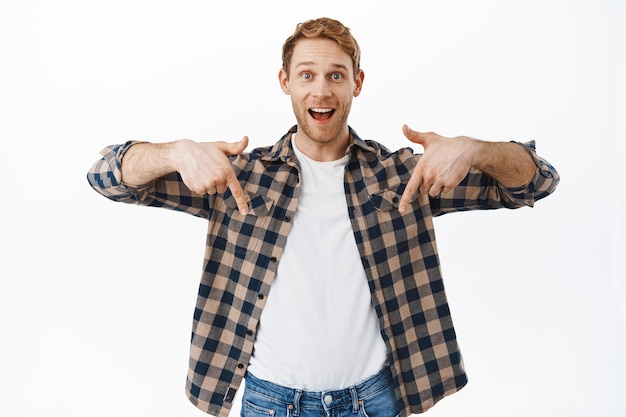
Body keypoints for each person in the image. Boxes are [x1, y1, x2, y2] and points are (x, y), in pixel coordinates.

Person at [87, 17, 559, 417]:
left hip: (375, 400)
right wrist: (175, 153)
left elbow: (537, 181)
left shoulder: (403, 177)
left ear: (357, 83)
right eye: (307, 74)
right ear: (285, 82)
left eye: (336, 75)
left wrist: (474, 150)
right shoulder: (237, 178)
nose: (322, 89)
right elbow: (105, 176)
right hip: (269, 402)